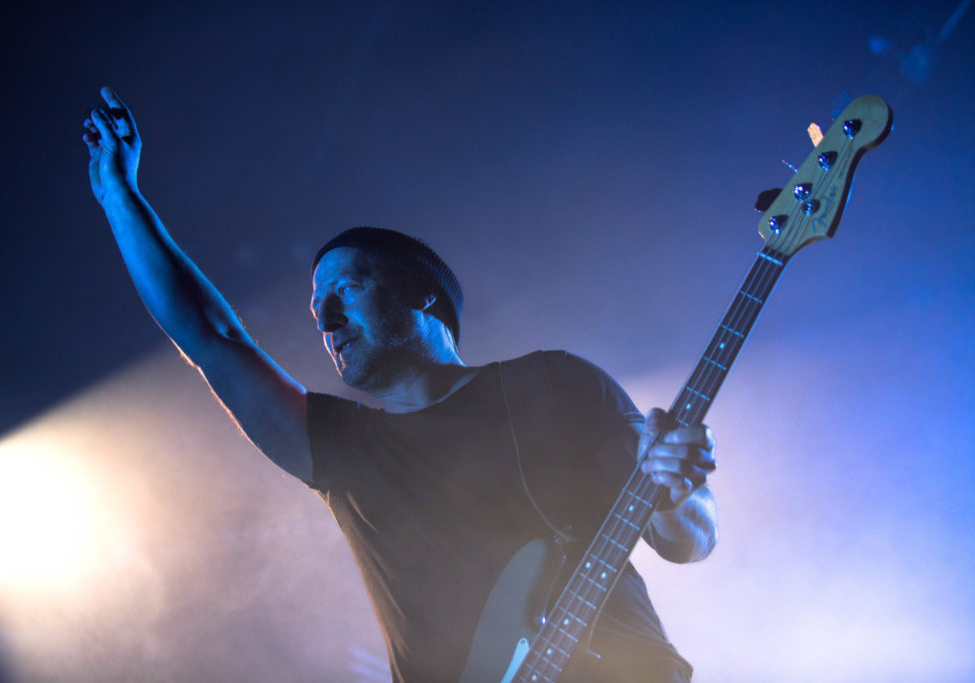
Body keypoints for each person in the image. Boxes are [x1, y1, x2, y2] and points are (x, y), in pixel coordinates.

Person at [83, 87, 718, 682]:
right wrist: (118, 196)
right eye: (316, 308)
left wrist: (676, 496)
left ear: (423, 297)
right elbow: (210, 336)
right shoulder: (343, 449)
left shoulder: (557, 382)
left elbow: (690, 540)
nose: (326, 321)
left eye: (347, 290)